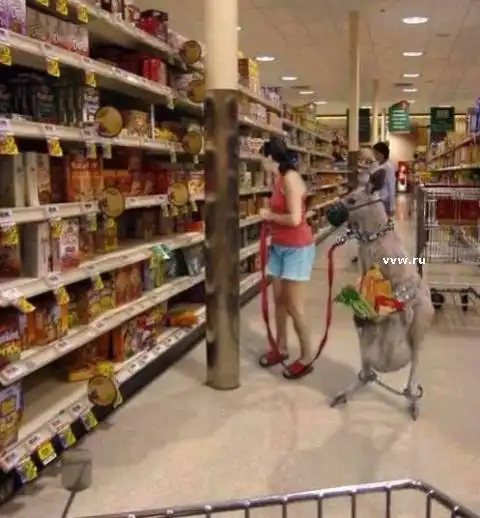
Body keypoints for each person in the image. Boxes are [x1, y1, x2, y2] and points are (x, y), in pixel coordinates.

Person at [258, 137, 315, 380]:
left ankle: (307, 357)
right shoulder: (279, 179)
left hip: (297, 248)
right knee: (279, 302)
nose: (261, 162)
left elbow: (294, 219)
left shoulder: (290, 179)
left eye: (262, 157)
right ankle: (281, 348)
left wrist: (269, 215)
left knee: (294, 306)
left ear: (270, 157)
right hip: (279, 246)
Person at [352, 141, 396, 263]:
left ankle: (382, 254)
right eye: (374, 153)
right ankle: (366, 253)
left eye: (376, 153)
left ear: (382, 153)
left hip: (383, 202)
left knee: (381, 231)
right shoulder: (378, 165)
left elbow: (391, 187)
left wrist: (392, 206)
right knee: (369, 228)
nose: (375, 156)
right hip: (374, 202)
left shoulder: (388, 167)